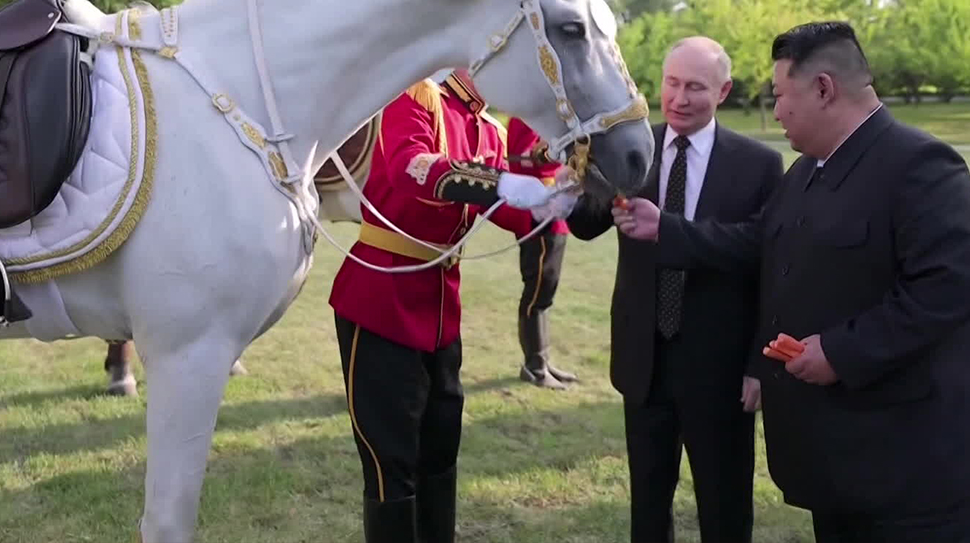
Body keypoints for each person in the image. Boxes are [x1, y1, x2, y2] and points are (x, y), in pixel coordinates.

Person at [614, 22, 970, 543]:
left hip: (919, 469)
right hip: (844, 464)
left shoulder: (921, 165)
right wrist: (667, 229)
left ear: (824, 89)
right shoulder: (806, 173)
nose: (775, 112)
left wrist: (842, 352)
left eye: (781, 96)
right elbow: (757, 245)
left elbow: (950, 290)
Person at [327, 71, 578, 543]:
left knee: (441, 450)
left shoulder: (490, 128)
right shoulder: (416, 95)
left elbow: (506, 207)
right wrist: (503, 183)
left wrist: (547, 202)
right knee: (390, 460)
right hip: (383, 297)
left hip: (442, 306)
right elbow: (413, 166)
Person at [567, 36, 783, 543]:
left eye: (695, 87)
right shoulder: (632, 151)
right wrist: (578, 173)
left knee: (724, 506)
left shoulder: (758, 165)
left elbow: (763, 257)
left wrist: (759, 364)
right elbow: (583, 225)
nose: (680, 98)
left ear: (724, 90)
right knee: (647, 504)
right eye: (671, 84)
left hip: (721, 371)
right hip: (644, 363)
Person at [505, 116, 578, 389]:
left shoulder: (547, 112)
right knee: (537, 291)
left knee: (546, 292)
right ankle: (534, 366)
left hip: (557, 208)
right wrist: (561, 150)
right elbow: (518, 160)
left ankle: (542, 360)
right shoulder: (527, 115)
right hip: (538, 212)